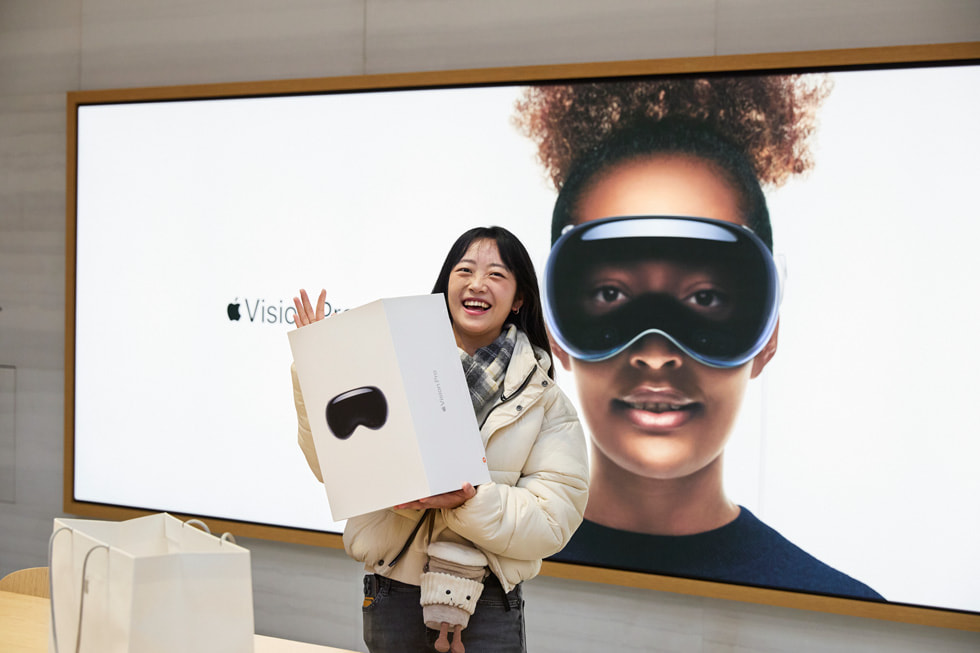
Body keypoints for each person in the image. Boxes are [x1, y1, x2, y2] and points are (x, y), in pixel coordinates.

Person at [514, 77, 883, 600]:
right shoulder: (473, 581)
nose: (658, 355)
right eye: (612, 295)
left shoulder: (847, 622)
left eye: (706, 299)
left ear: (768, 333)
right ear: (555, 326)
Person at [290, 226, 590, 652]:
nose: (476, 284)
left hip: (487, 603)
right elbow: (331, 467)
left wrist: (468, 501)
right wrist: (320, 367)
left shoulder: (546, 402)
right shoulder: (388, 367)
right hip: (394, 592)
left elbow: (554, 518)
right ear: (446, 285)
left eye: (496, 275)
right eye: (464, 270)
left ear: (519, 298)